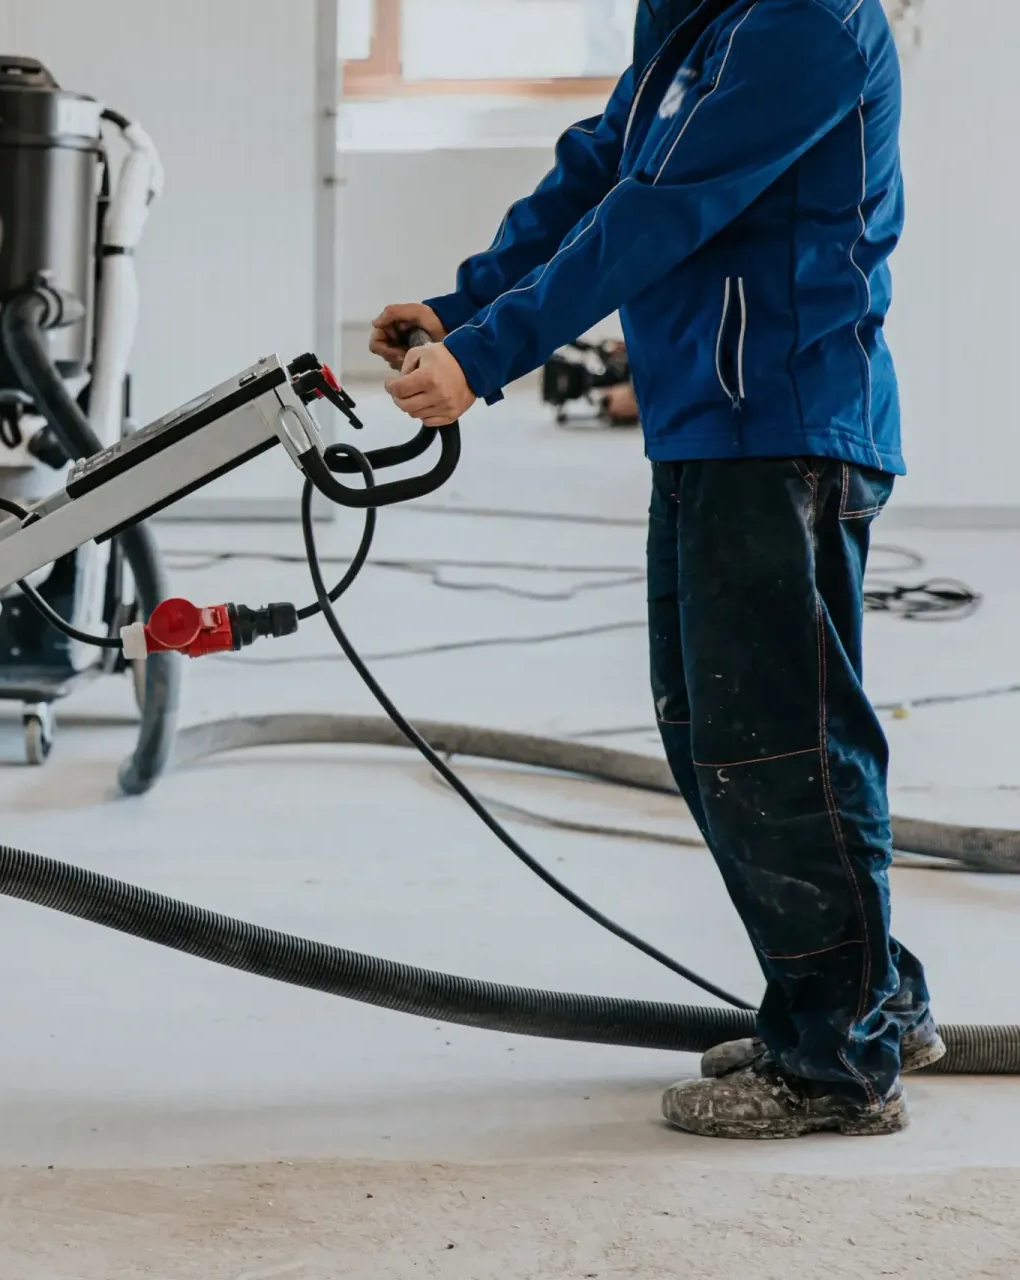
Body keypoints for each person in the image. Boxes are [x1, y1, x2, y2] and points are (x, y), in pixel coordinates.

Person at [371, 0, 931, 1139]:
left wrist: (487, 355)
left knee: (777, 745)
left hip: (783, 428)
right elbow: (605, 163)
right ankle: (864, 1001)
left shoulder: (806, 23)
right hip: (708, 427)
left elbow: (659, 213)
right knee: (718, 737)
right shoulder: (698, 13)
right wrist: (467, 301)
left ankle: (839, 1060)